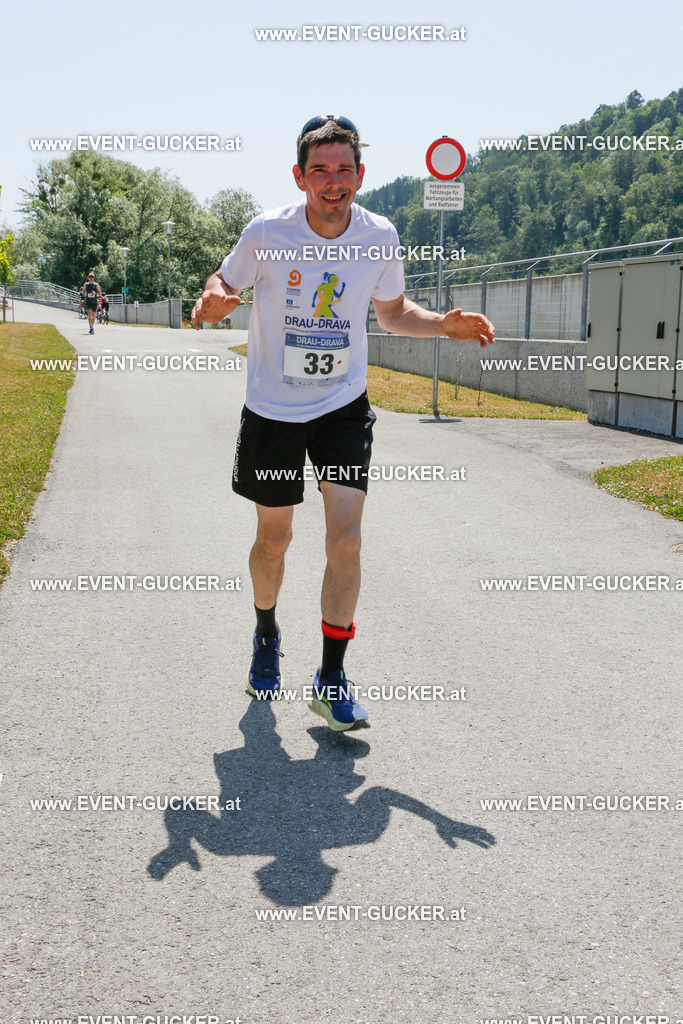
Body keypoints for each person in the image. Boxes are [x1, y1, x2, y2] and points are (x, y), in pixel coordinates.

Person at [191, 115, 495, 732]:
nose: (334, 182)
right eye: (321, 170)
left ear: (361, 175)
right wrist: (213, 297)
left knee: (347, 540)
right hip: (274, 408)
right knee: (275, 541)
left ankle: (331, 678)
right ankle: (266, 632)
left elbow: (392, 311)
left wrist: (441, 324)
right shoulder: (269, 230)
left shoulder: (379, 236)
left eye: (345, 169)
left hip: (342, 404)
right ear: (299, 176)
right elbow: (223, 279)